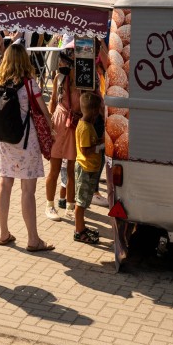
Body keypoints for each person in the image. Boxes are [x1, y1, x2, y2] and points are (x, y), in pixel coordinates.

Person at [0, 42, 53, 253]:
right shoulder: (30, 84)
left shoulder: (0, 81)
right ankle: (33, 239)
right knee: (28, 190)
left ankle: (3, 233)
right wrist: (52, 127)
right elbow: (44, 112)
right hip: (27, 140)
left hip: (6, 140)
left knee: (5, 183)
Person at [45, 54, 83, 222]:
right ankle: (50, 205)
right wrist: (50, 125)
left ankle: (70, 206)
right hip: (60, 123)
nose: (62, 64)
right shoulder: (59, 78)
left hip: (75, 125)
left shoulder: (84, 81)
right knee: (54, 168)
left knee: (72, 170)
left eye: (66, 62)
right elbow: (53, 101)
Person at [73, 91, 105, 246]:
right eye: (98, 110)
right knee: (81, 202)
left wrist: (99, 140)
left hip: (90, 168)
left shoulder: (87, 125)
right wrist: (99, 146)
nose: (99, 113)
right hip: (85, 169)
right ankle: (79, 231)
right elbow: (86, 150)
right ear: (93, 111)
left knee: (85, 200)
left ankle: (82, 227)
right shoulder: (85, 128)